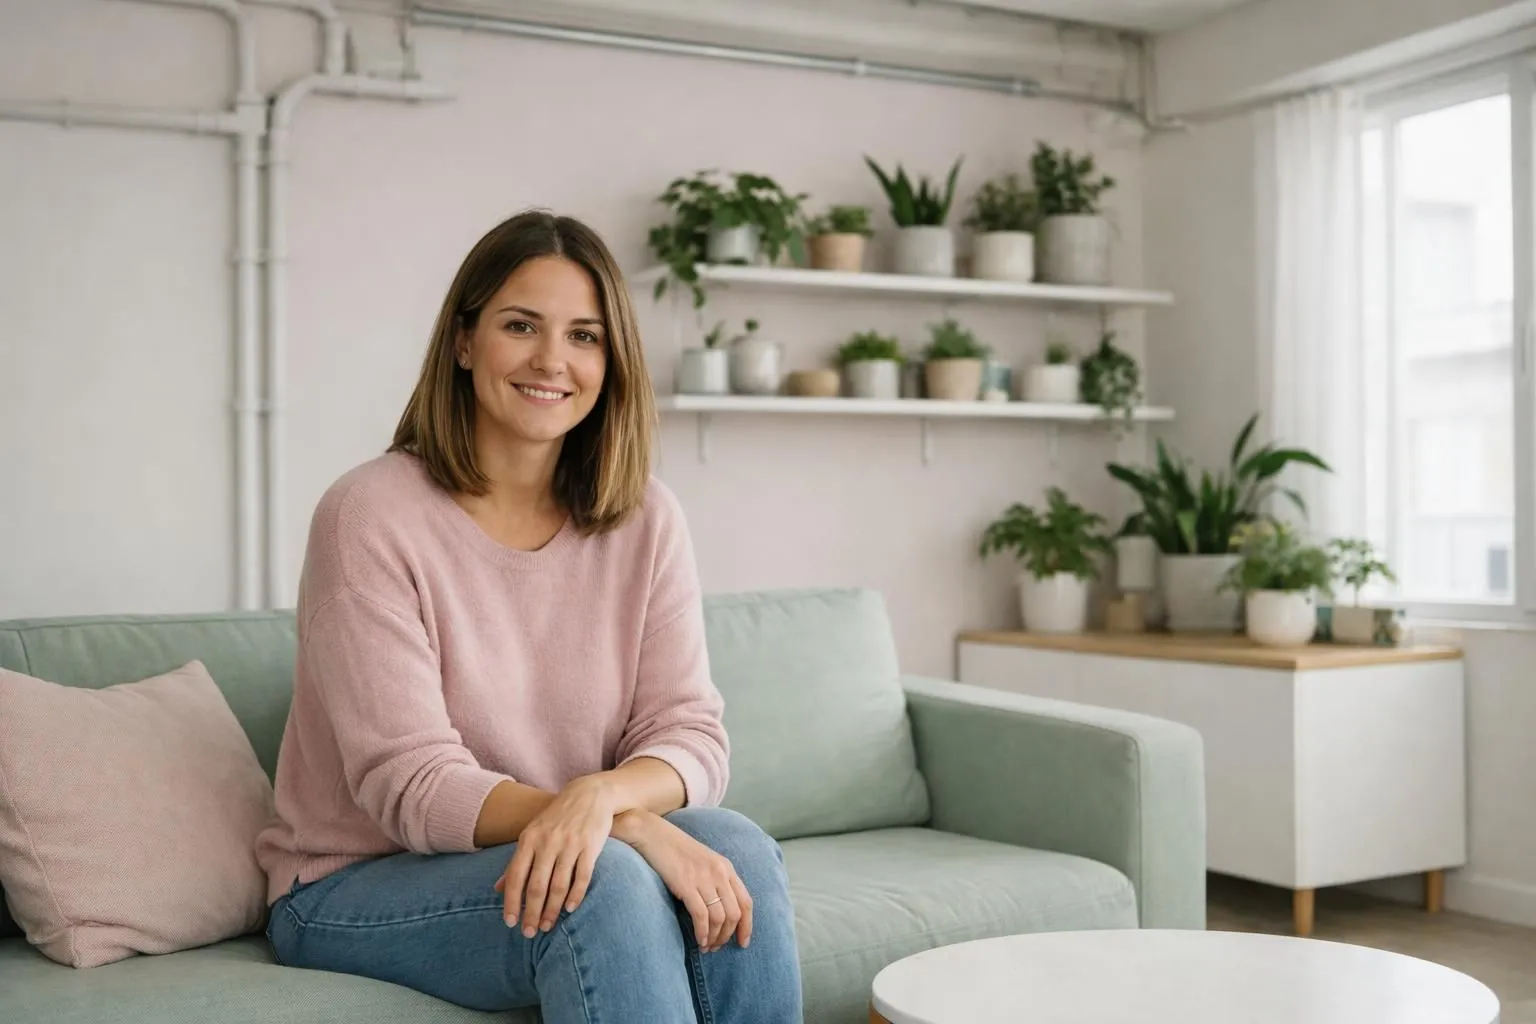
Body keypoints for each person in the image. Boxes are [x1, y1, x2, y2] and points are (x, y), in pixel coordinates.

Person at [254, 209, 803, 1023]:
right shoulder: (368, 514)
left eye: (585, 336)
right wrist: (622, 823)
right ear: (464, 341)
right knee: (603, 884)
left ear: (612, 363)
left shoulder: (645, 517)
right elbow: (411, 782)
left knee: (742, 851)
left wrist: (602, 802)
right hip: (349, 882)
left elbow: (690, 734)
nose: (554, 360)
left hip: (558, 842)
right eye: (521, 326)